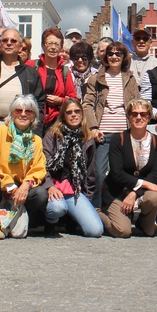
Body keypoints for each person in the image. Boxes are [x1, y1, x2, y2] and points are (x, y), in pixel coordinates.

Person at [0, 94, 48, 239]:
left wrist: (26, 185)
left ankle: (16, 220)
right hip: (1, 185)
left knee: (41, 194)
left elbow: (39, 168)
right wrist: (10, 186)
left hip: (21, 189)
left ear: (33, 116)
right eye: (18, 110)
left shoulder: (36, 141)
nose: (23, 114)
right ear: (11, 113)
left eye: (28, 111)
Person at [82, 40, 139, 203]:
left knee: (124, 174)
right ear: (106, 57)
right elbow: (87, 104)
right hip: (103, 134)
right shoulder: (96, 78)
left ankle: (121, 212)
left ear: (123, 57)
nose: (114, 56)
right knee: (99, 174)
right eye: (110, 53)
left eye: (118, 53)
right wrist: (93, 127)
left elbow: (136, 104)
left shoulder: (129, 78)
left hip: (124, 134)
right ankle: (98, 210)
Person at [100, 99, 157, 238]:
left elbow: (154, 174)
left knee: (155, 198)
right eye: (134, 114)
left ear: (149, 117)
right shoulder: (119, 139)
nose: (139, 118)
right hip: (117, 191)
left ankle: (143, 223)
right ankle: (97, 214)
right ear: (129, 116)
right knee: (123, 231)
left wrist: (134, 193)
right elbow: (117, 174)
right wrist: (145, 184)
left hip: (140, 193)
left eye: (143, 114)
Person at [41, 97, 104, 238]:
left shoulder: (88, 138)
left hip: (74, 189)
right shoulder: (52, 135)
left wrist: (86, 198)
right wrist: (49, 186)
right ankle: (50, 222)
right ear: (63, 115)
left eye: (77, 111)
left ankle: (72, 217)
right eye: (69, 112)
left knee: (95, 230)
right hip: (54, 186)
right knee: (57, 208)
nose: (74, 115)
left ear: (82, 114)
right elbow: (43, 165)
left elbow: (90, 173)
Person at [0, 27, 46, 135]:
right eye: (5, 40)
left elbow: (38, 105)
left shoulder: (31, 73)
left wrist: (36, 133)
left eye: (13, 41)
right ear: (0, 43)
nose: (9, 43)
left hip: (22, 130)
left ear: (20, 46)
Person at [32, 27, 78, 129]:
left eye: (57, 44)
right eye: (49, 43)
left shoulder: (65, 72)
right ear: (43, 46)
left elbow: (73, 99)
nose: (53, 47)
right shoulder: (32, 66)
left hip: (55, 123)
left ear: (61, 47)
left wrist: (60, 101)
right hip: (32, 120)